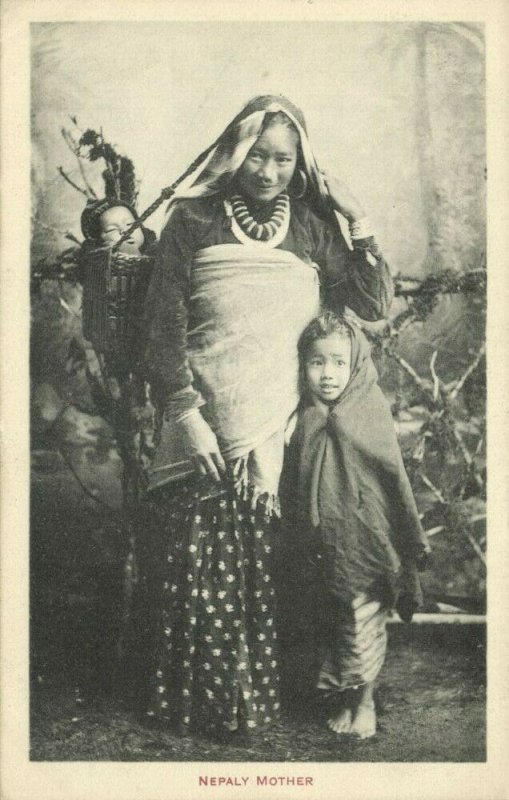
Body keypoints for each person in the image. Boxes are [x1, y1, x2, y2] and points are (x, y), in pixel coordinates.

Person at [134, 94, 394, 738]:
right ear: (234, 151)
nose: (269, 171)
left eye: (283, 159)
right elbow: (161, 327)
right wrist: (185, 410)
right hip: (203, 416)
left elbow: (368, 299)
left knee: (279, 560)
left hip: (280, 427)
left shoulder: (310, 225)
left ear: (299, 161)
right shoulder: (192, 221)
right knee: (200, 561)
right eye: (258, 155)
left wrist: (356, 218)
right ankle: (198, 706)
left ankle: (274, 698)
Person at [281, 311, 430, 739]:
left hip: (365, 541)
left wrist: (406, 539)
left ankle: (365, 703)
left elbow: (393, 479)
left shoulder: (368, 410)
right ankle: (346, 698)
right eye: (317, 362)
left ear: (356, 364)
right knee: (335, 622)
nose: (328, 374)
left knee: (361, 621)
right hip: (322, 543)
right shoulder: (306, 416)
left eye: (339, 362)